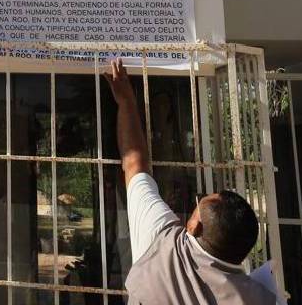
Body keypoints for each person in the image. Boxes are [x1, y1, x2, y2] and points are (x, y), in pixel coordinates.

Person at [104, 58, 277, 304]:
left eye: (198, 204)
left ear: (194, 226)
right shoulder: (261, 299)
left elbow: (135, 164)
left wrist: (126, 101)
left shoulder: (163, 247)